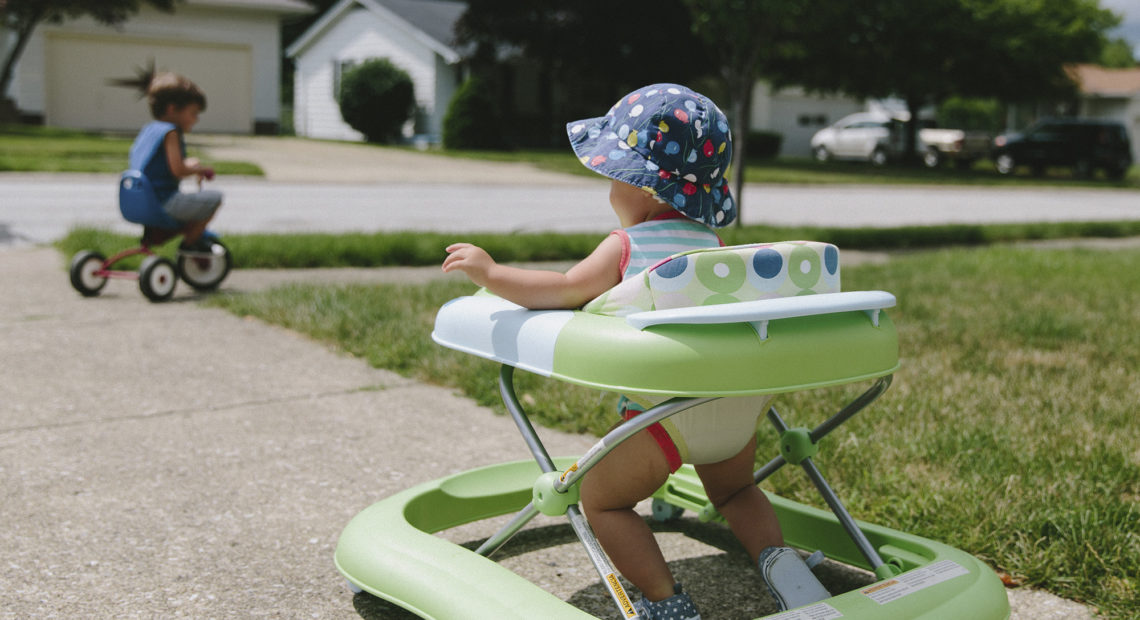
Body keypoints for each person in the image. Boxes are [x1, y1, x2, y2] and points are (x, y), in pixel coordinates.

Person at [442, 84, 830, 619]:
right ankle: (785, 570)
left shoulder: (627, 247)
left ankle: (667, 603)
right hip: (736, 412)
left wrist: (491, 273)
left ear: (645, 188)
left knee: (604, 501)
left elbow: (560, 290)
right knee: (737, 494)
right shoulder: (718, 252)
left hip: (659, 419)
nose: (608, 190)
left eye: (614, 178)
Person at [127, 71, 221, 251]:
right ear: (172, 109)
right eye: (193, 113)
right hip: (162, 202)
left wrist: (190, 166)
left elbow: (162, 165)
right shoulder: (171, 132)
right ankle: (190, 246)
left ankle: (170, 235)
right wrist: (200, 170)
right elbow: (177, 170)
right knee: (215, 199)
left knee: (196, 202)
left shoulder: (150, 129)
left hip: (140, 200)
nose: (196, 119)